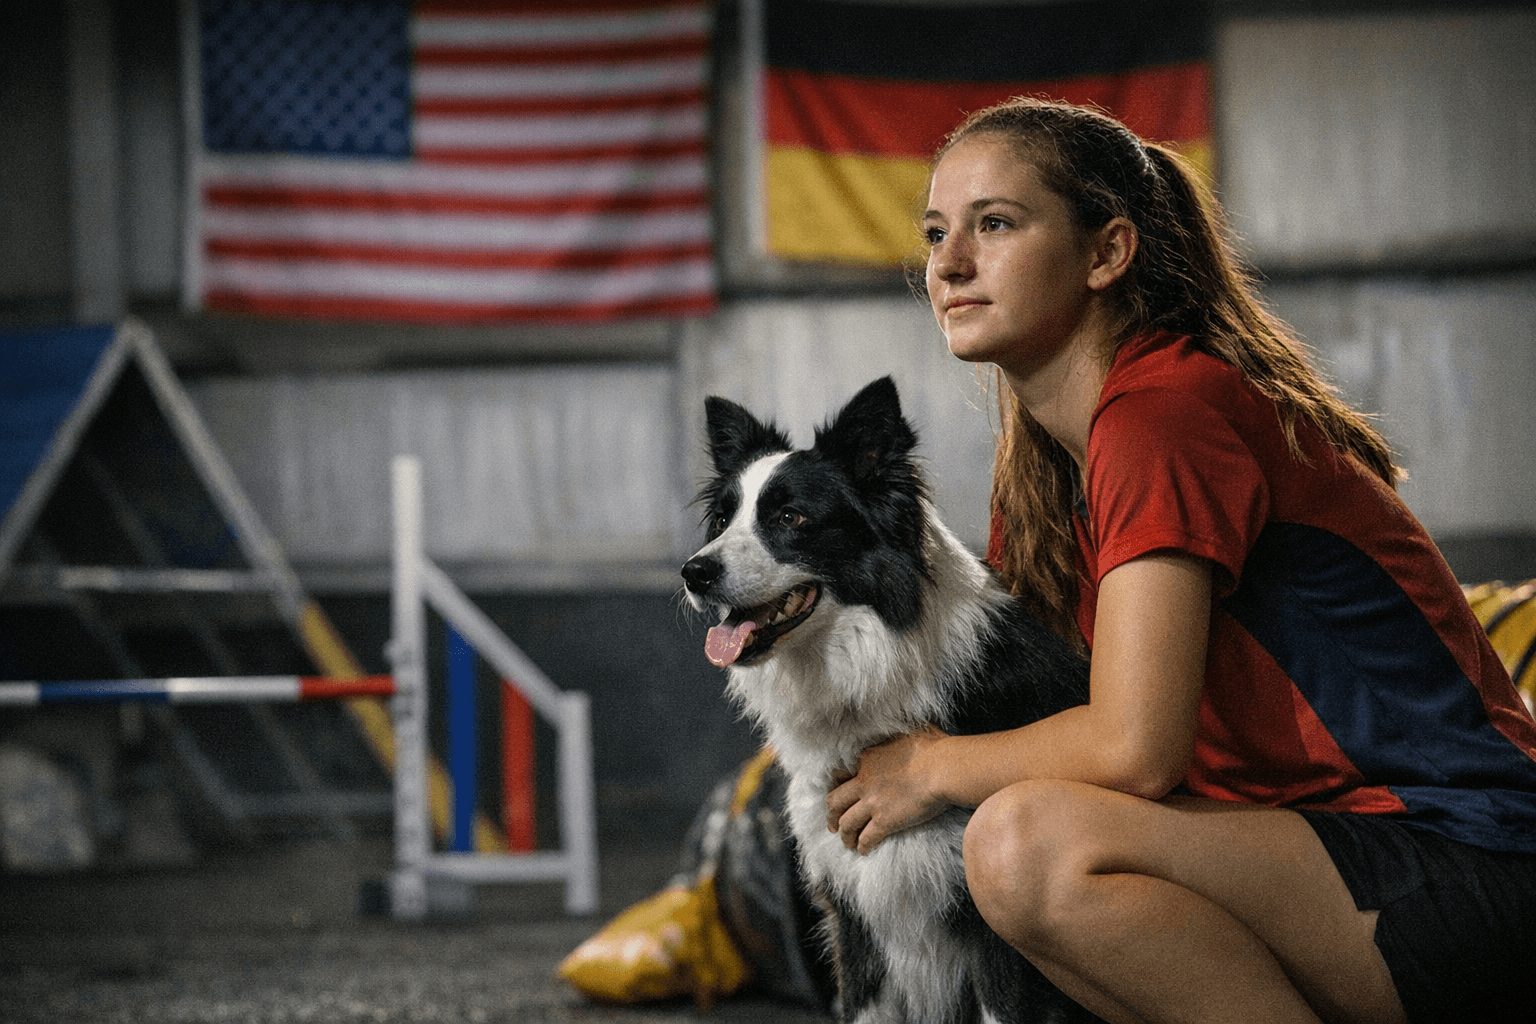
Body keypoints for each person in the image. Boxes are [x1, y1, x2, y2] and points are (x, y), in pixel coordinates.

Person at [823, 97, 1536, 1024]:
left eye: (995, 224)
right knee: (1009, 829)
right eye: (934, 233)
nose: (949, 264)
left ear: (1106, 253)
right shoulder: (1045, 474)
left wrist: (925, 768)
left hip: (1462, 862)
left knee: (1026, 845)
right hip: (1314, 857)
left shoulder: (1164, 415)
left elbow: (1130, 748)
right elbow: (1051, 718)